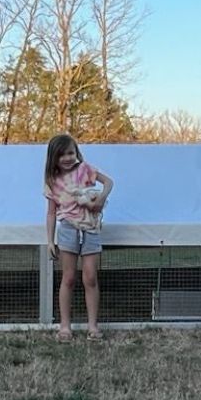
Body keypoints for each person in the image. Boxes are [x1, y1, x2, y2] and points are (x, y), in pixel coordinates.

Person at [43, 133, 114, 342]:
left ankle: (93, 326)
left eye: (70, 153)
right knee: (69, 277)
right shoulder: (51, 181)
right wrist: (49, 240)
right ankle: (65, 326)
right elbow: (51, 212)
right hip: (67, 228)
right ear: (53, 157)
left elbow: (109, 182)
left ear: (76, 153)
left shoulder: (85, 169)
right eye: (62, 154)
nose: (67, 158)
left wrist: (100, 199)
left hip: (90, 228)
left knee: (90, 277)